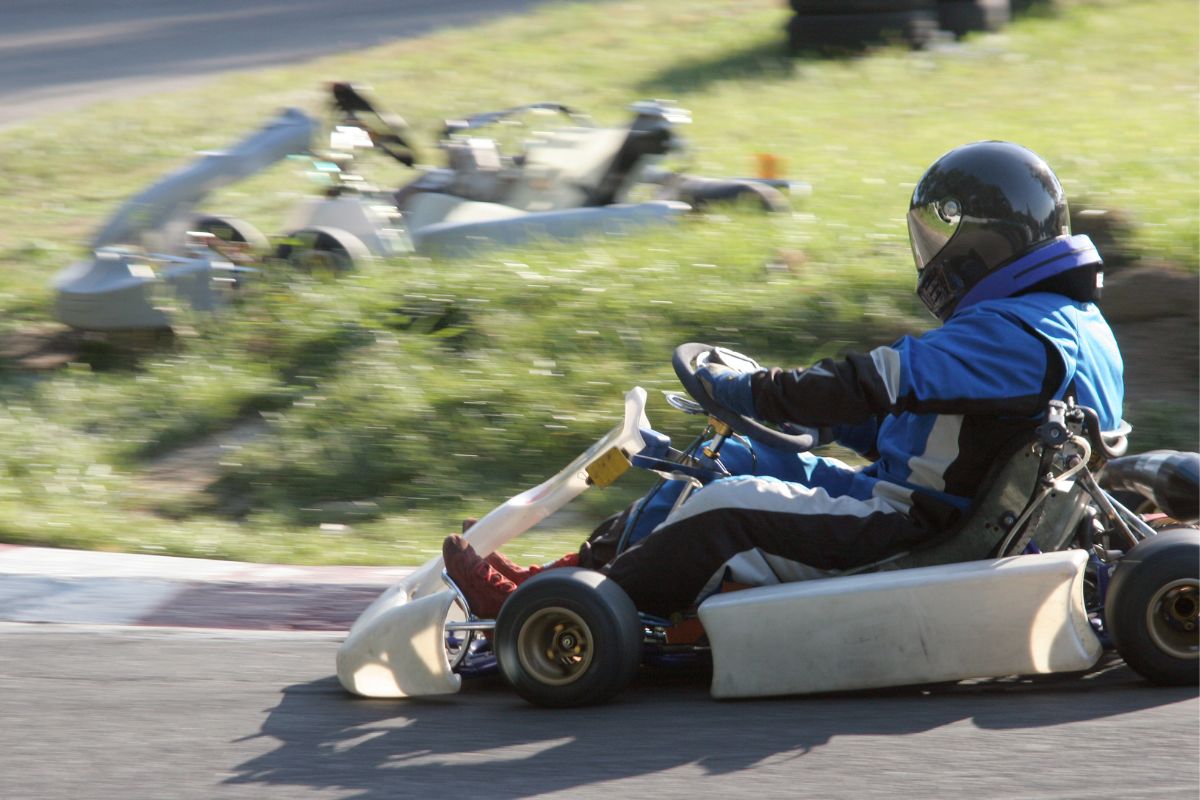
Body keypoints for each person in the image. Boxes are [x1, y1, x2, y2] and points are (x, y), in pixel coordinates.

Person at [443, 140, 1125, 619]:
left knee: (726, 507)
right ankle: (561, 582)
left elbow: (873, 379)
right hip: (938, 505)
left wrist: (761, 390)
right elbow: (939, 422)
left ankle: (570, 614)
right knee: (722, 458)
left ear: (983, 241)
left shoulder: (1008, 335)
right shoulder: (1068, 322)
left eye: (940, 239)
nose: (931, 257)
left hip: (913, 530)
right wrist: (819, 422)